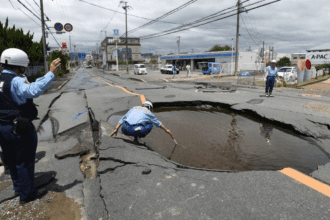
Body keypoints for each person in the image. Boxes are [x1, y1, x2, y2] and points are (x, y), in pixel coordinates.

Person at [0, 48, 61, 205]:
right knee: (25, 161)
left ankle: (19, 188)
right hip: (19, 127)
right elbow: (33, 90)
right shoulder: (16, 81)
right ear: (21, 65)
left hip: (3, 127)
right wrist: (51, 73)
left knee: (11, 160)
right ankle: (27, 195)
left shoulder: (1, 80)